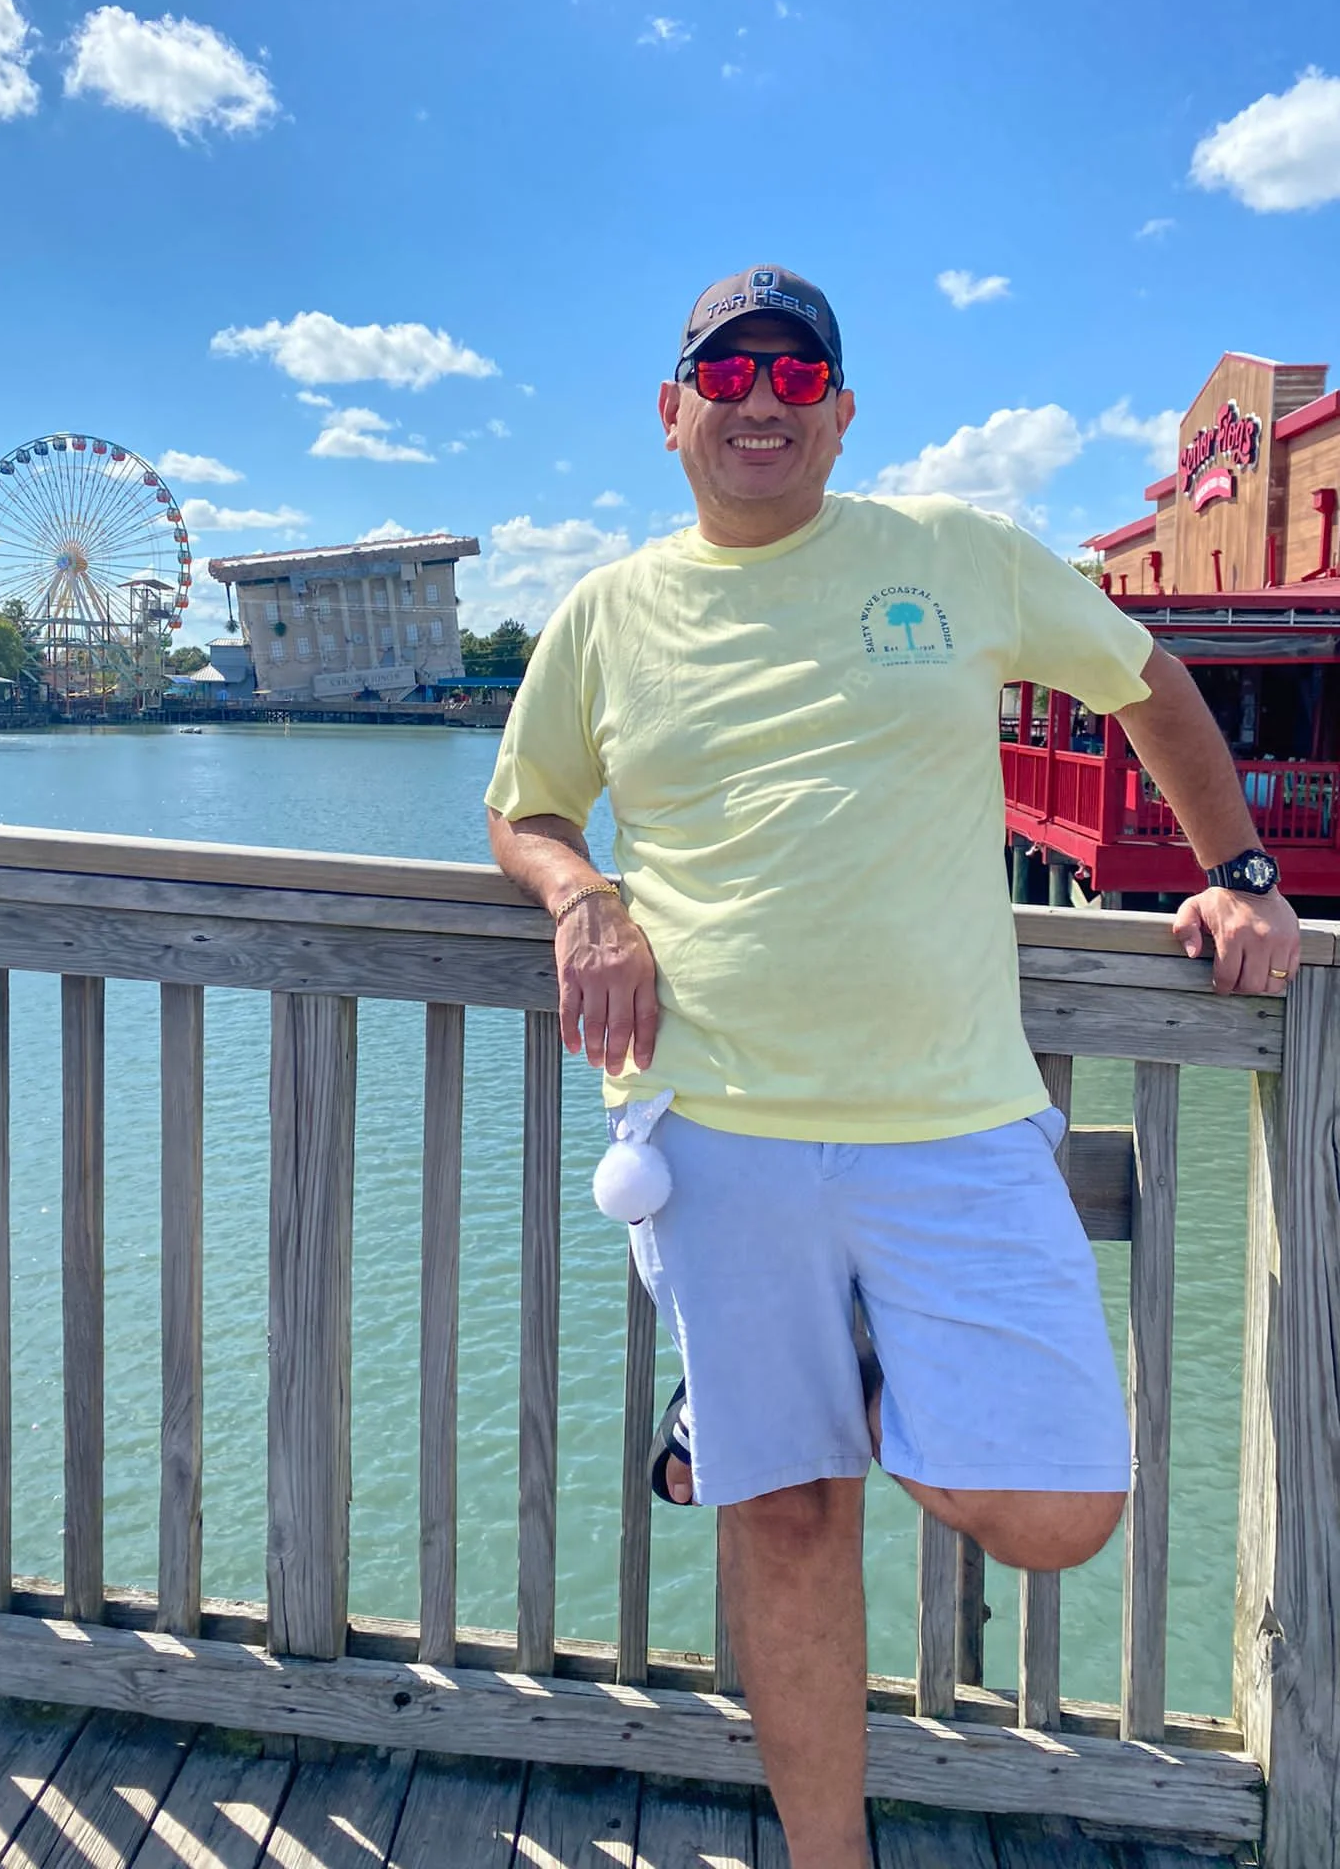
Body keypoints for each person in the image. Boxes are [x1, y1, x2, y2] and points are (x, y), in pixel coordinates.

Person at [484, 264, 1301, 1869]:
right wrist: (584, 897)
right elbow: (526, 805)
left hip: (960, 1122)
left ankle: (818, 1392)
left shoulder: (954, 552)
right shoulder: (604, 612)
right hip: (713, 1123)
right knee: (787, 1519)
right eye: (729, 374)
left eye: (798, 376)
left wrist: (1244, 874)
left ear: (843, 413)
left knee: (1062, 1508)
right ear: (672, 411)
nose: (761, 401)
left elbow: (1144, 680)